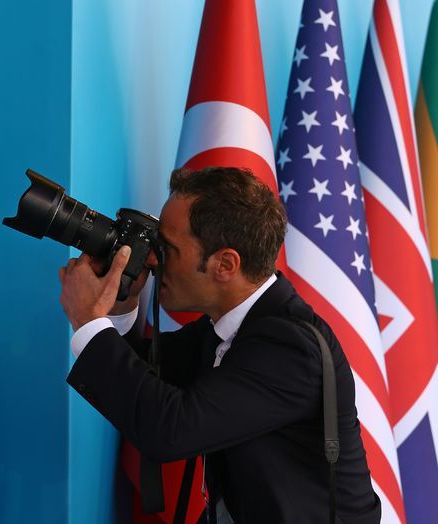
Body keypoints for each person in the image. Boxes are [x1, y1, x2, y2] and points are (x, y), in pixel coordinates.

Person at [58, 167, 381, 523]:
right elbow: (148, 378)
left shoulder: (289, 348)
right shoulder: (235, 324)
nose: (152, 260)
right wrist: (120, 304)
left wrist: (88, 319)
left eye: (167, 249)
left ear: (225, 264)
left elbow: (169, 430)